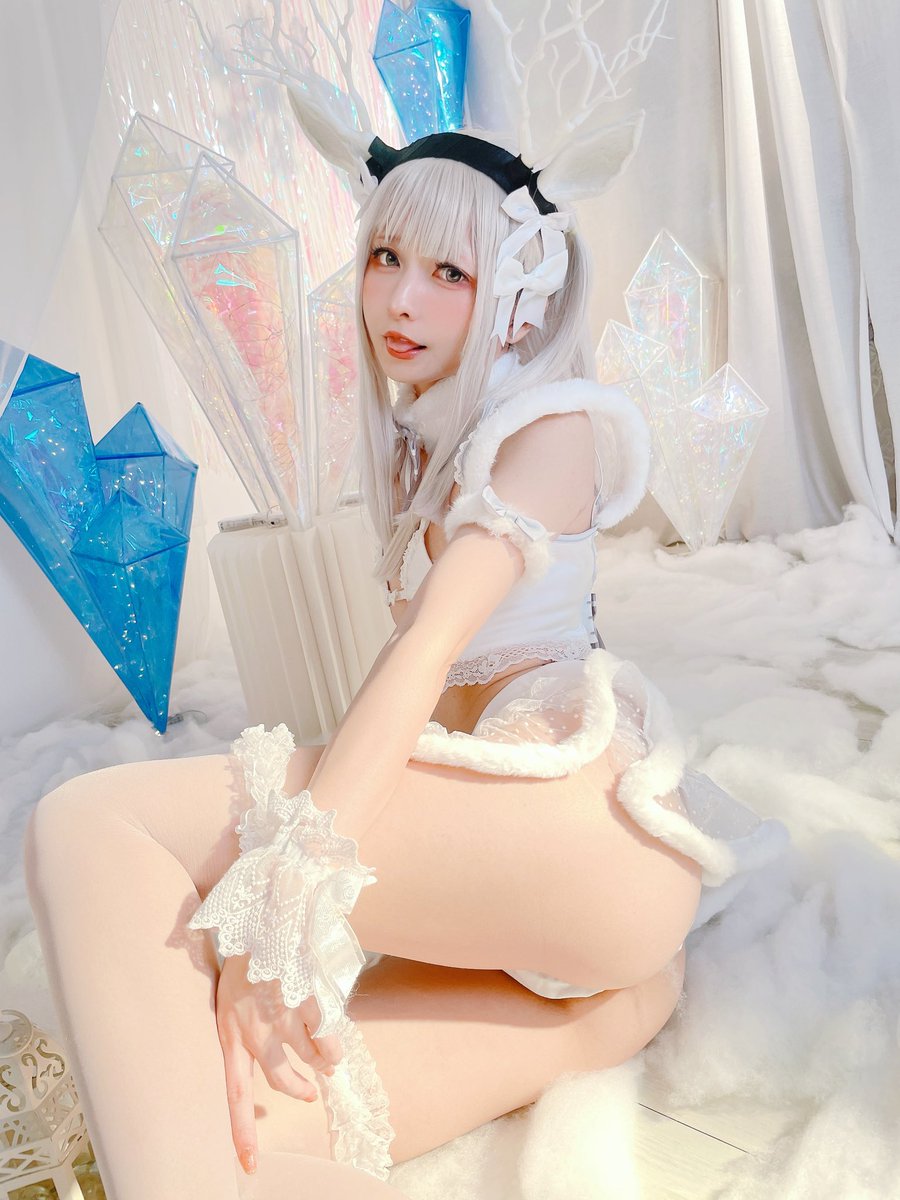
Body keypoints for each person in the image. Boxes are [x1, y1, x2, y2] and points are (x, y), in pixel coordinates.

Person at [24, 127, 787, 1200]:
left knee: (87, 821)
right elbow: (408, 678)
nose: (400, 300)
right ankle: (603, 1016)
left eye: (448, 273)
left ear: (521, 295)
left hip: (578, 831)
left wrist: (284, 898)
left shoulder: (549, 426)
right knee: (236, 1122)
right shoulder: (431, 436)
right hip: (569, 920)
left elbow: (426, 651)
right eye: (385, 258)